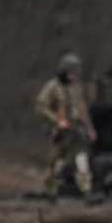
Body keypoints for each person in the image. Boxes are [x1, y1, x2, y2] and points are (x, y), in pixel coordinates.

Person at [35, 53, 98, 200]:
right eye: (72, 73)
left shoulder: (76, 89)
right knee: (57, 163)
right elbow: (41, 106)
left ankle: (87, 192)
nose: (75, 76)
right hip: (60, 132)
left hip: (76, 130)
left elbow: (82, 111)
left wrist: (89, 129)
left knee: (82, 161)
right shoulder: (53, 87)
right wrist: (57, 120)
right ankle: (51, 191)